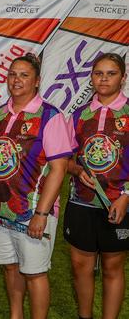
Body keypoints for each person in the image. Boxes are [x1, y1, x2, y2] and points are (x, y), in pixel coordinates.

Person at [0, 53, 71, 319]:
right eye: (13, 74)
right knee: (10, 267)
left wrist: (41, 214)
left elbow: (58, 168)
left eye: (24, 75)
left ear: (37, 81)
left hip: (32, 213)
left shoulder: (50, 116)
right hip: (0, 211)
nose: (16, 80)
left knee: (35, 272)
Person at [64, 53, 128, 319]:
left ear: (122, 78)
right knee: (81, 266)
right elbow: (64, 158)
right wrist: (77, 169)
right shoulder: (79, 114)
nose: (103, 78)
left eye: (110, 73)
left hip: (119, 202)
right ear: (91, 78)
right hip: (81, 201)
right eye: (98, 73)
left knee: (113, 266)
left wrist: (126, 196)